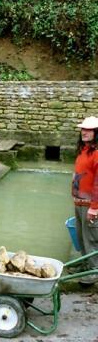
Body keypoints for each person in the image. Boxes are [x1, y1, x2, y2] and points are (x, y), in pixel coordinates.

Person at [71, 116, 98, 285]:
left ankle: (94, 272)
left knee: (91, 239)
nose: (84, 132)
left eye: (88, 130)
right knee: (81, 237)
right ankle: (86, 264)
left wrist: (94, 208)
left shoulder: (96, 153)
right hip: (80, 202)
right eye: (83, 129)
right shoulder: (84, 149)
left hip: (91, 205)